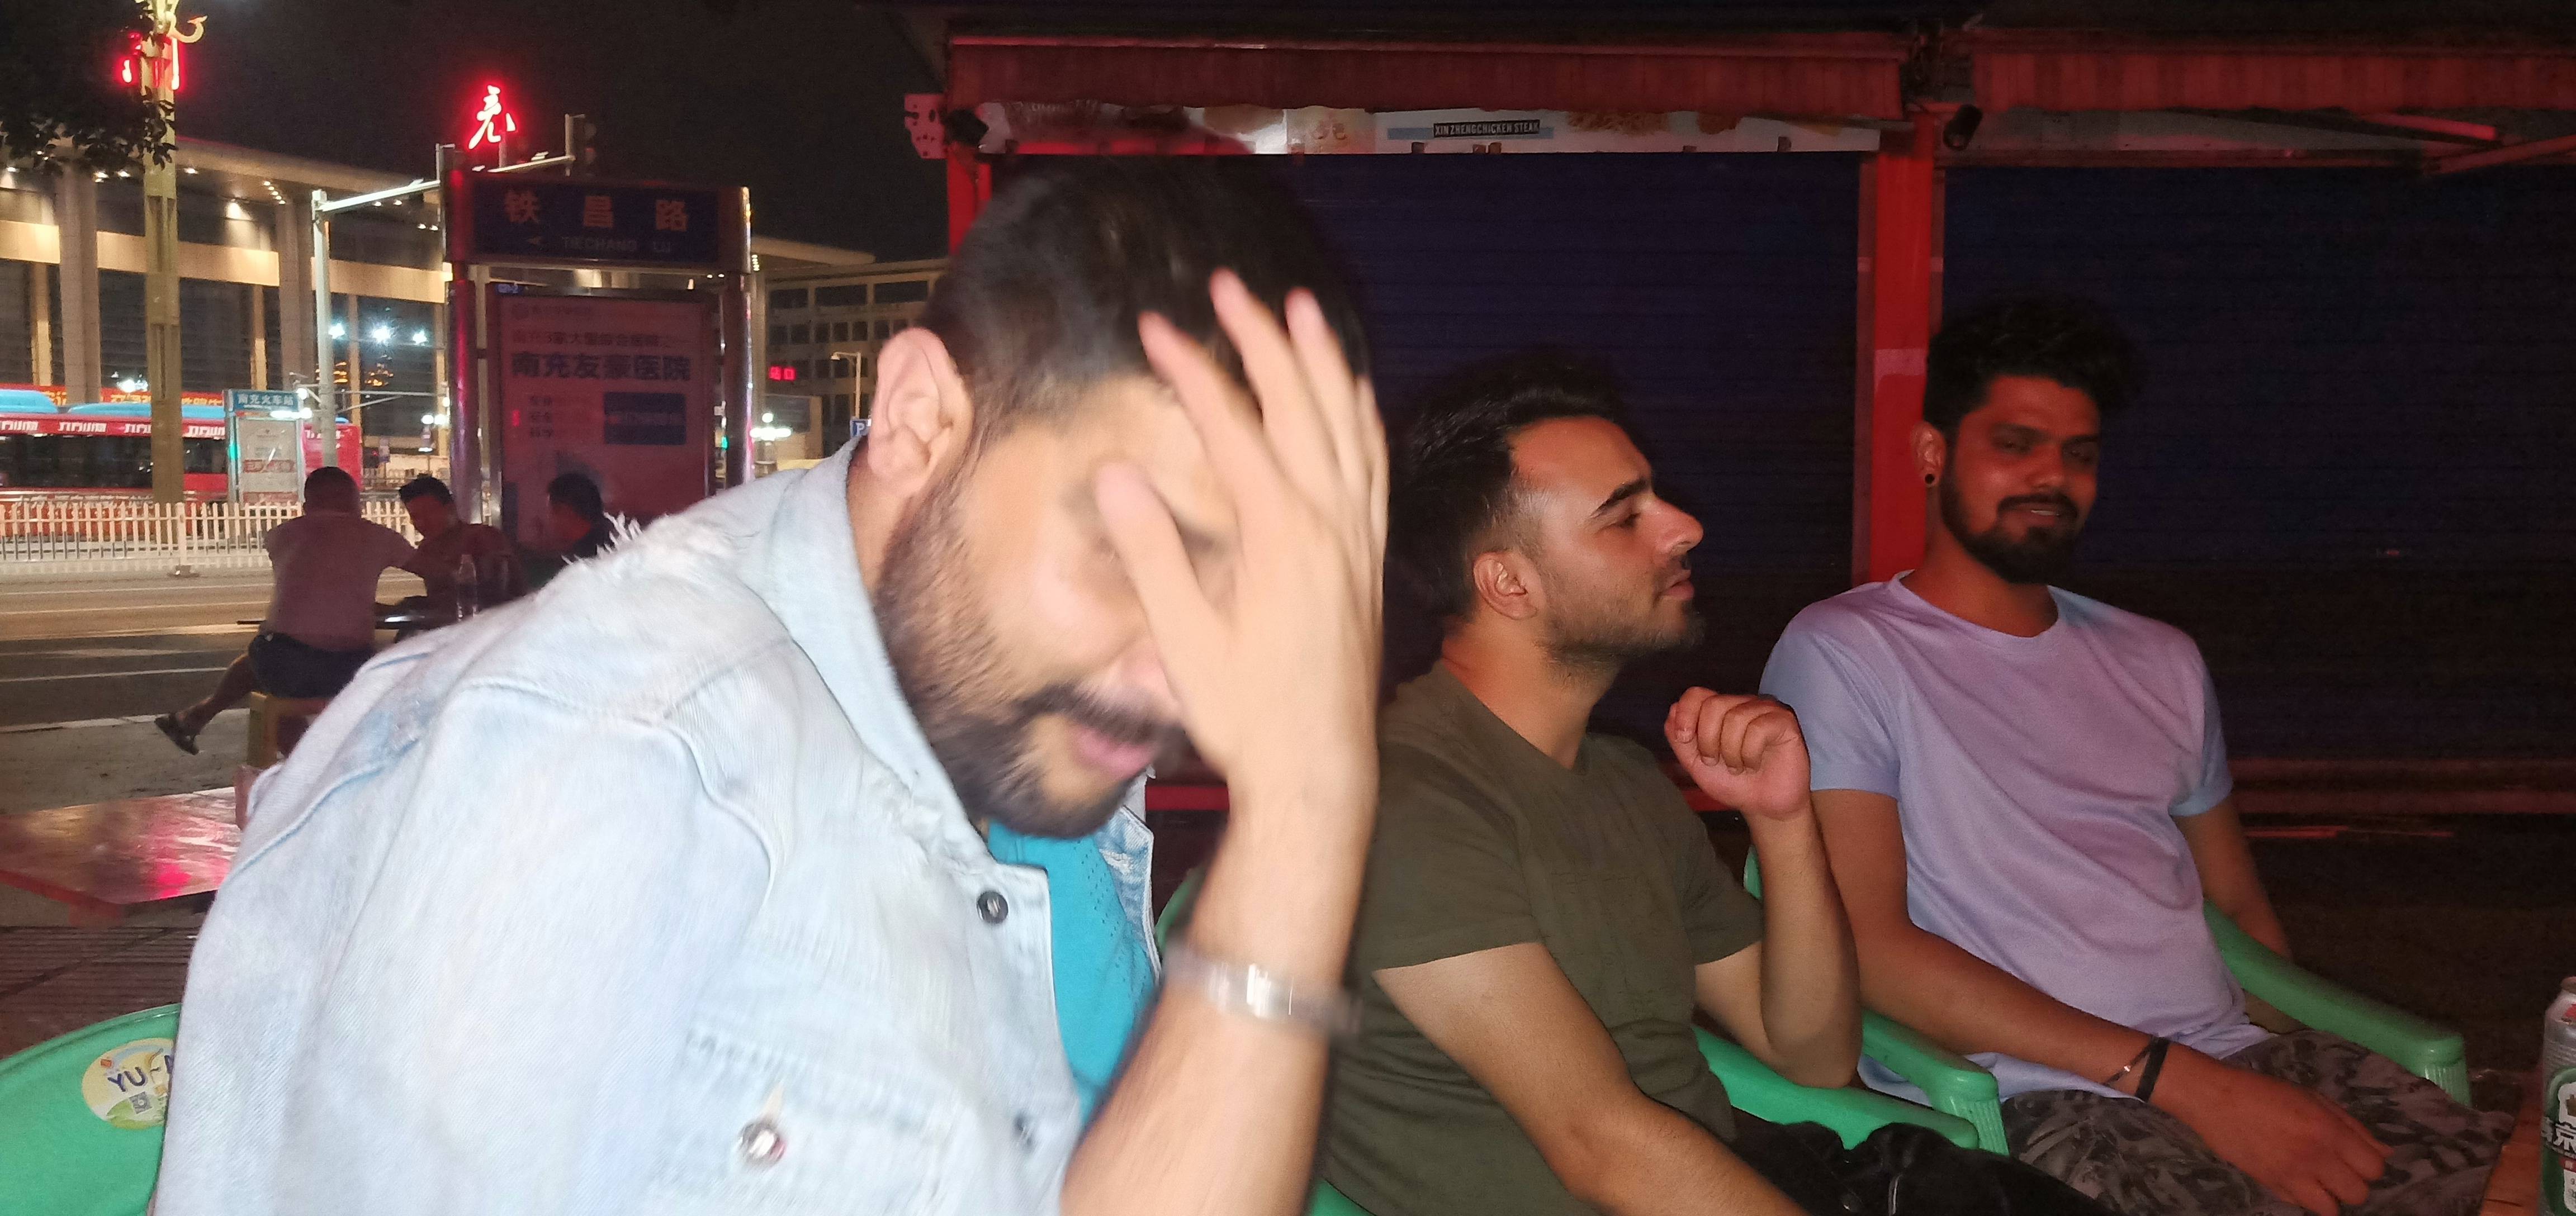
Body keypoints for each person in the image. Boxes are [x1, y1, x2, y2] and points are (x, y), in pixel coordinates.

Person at [155, 160, 1390, 1215]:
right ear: (919, 417)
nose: (1184, 677)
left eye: (1248, 597)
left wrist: (1309, 808)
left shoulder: (1026, 714)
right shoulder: (609, 750)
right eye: (1133, 551)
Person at [1760, 297, 2512, 1216]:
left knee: (2517, 1183)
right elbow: (1869, 947)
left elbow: (2238, 911)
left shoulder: (2161, 660)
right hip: (2045, 1097)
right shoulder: (1848, 652)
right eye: (2015, 444)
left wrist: (2308, 1065)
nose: (2052, 476)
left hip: (2237, 1062)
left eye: (2078, 454)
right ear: (1931, 453)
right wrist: (2188, 1085)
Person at [1322, 354, 2108, 1216]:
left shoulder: (1621, 780)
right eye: (1625, 517)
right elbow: (1602, 1146)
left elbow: (1810, 1052)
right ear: (1510, 583)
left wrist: (1783, 822)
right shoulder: (1409, 805)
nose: (1685, 526)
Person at [153, 466, 415, 755]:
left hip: (285, 663)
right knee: (273, 663)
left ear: (307, 504)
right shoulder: (380, 536)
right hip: (349, 667)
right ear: (356, 502)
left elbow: (318, 585)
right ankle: (201, 719)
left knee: (268, 665)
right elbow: (434, 570)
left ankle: (203, 720)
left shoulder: (281, 535)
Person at [395, 474, 524, 625]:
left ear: (450, 508)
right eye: (415, 516)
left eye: (429, 513)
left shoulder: (483, 538)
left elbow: (494, 596)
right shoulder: (426, 549)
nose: (423, 522)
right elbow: (442, 603)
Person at [547, 469, 615, 559]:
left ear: (567, 511)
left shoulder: (580, 559)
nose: (550, 518)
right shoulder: (615, 538)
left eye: (554, 510)